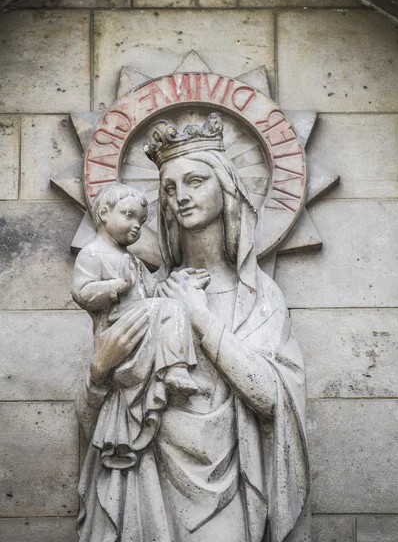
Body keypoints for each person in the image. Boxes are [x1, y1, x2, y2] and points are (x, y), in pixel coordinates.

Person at [76, 113, 310, 542]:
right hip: (144, 483)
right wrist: (96, 374)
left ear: (226, 187)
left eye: (196, 181)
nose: (180, 196)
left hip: (232, 494)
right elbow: (98, 427)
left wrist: (199, 317)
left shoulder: (257, 297)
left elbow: (273, 399)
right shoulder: (145, 298)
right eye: (169, 187)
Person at [73, 183, 207, 470]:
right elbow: (82, 293)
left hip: (142, 326)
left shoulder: (132, 260)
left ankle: (175, 369)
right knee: (169, 308)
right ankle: (174, 368)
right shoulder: (93, 254)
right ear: (105, 213)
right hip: (118, 328)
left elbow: (152, 290)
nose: (136, 226)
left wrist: (183, 280)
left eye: (141, 221)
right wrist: (114, 287)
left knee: (172, 306)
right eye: (129, 215)